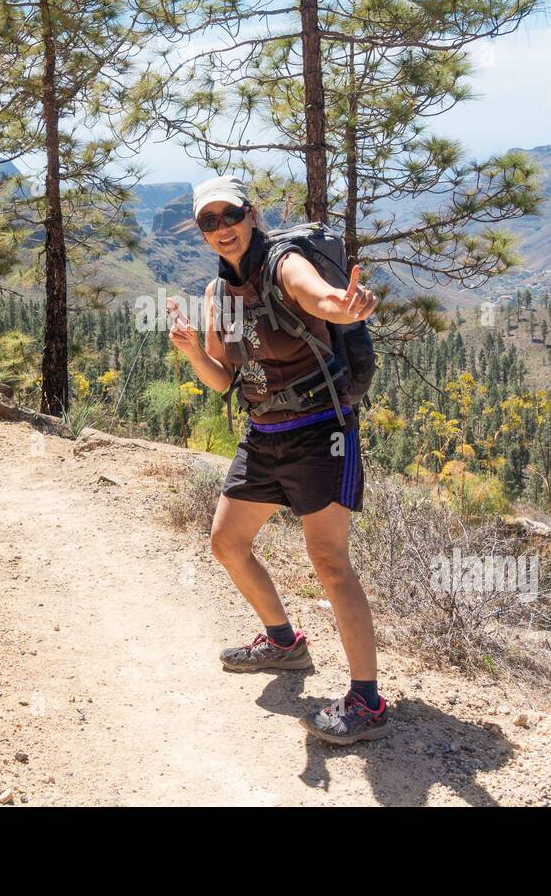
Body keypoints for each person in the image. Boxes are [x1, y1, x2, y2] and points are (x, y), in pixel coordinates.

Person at [167, 174, 390, 745]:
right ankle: (284, 643)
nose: (221, 229)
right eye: (208, 222)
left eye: (229, 216)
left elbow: (321, 300)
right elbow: (224, 378)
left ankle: (366, 700)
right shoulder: (218, 293)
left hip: (321, 432)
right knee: (226, 542)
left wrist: (345, 307)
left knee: (330, 563)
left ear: (251, 214)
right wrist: (194, 351)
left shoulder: (285, 263)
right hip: (263, 434)